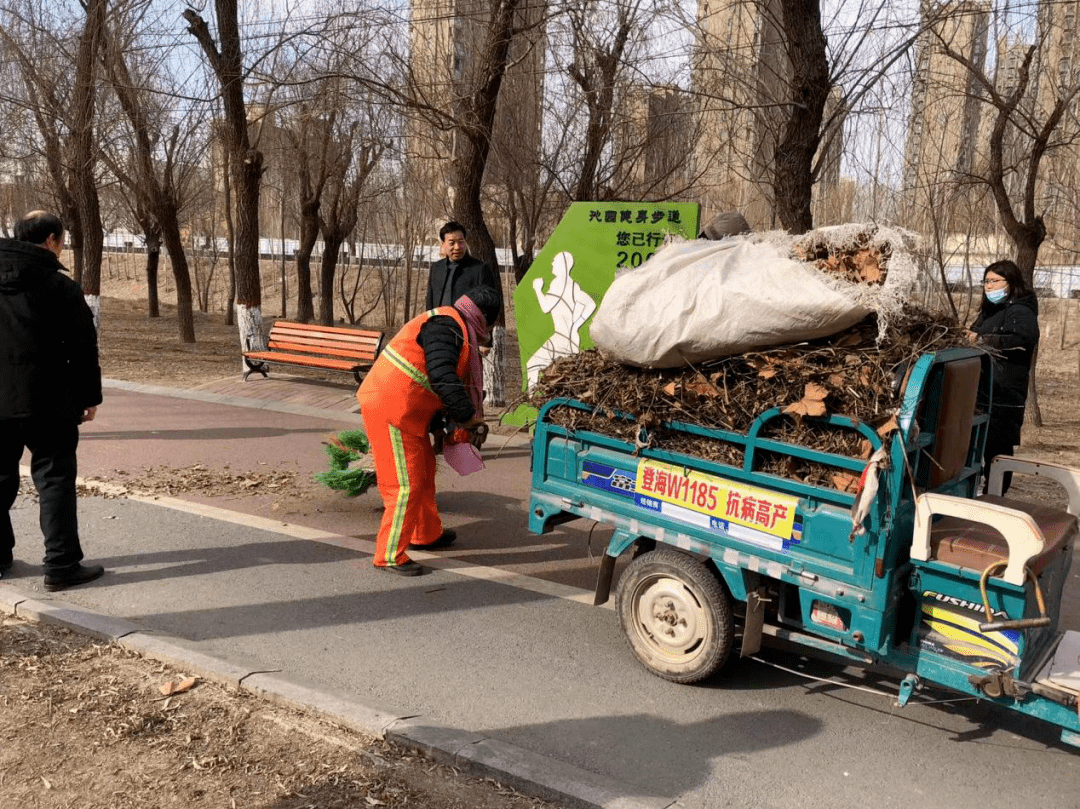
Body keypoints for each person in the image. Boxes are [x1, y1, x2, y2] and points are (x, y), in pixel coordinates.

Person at [357, 285, 502, 576]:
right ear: (483, 317)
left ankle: (425, 534)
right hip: (393, 408)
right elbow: (442, 375)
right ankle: (389, 555)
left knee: (423, 473)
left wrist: (440, 429)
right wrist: (467, 417)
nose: (489, 332)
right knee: (405, 485)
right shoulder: (447, 326)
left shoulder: (454, 325)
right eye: (492, 324)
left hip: (410, 408)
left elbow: (431, 377)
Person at [0, 211, 105, 590]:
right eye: (61, 240)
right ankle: (60, 566)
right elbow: (82, 347)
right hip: (50, 400)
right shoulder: (60, 287)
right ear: (49, 240)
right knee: (55, 479)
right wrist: (89, 396)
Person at [967, 259, 1040, 495]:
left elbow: (1021, 341)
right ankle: (973, 495)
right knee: (974, 447)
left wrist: (981, 340)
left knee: (997, 452)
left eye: (994, 281)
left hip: (1004, 395)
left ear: (1011, 282)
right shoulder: (989, 313)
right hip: (982, 392)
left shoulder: (1020, 310)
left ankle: (996, 498)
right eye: (986, 281)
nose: (988, 286)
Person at [425, 221, 501, 310]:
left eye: (461, 242)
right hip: (438, 322)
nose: (457, 247)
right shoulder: (436, 268)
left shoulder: (479, 269)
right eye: (451, 243)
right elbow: (430, 304)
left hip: (466, 323)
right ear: (443, 244)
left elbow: (489, 304)